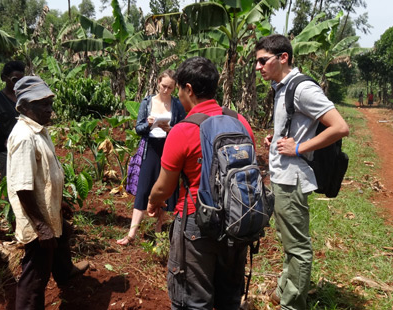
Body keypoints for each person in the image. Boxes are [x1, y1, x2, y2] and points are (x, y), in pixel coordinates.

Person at [147, 57, 256, 309]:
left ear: (189, 89)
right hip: (237, 219)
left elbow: (164, 187)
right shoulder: (241, 121)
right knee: (229, 298)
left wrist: (154, 202)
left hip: (197, 222)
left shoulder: (183, 130)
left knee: (193, 301)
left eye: (180, 90)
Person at [255, 34, 349, 309]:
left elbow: (340, 127)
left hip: (292, 177)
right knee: (288, 238)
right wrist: (278, 138)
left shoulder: (302, 89)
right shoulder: (282, 87)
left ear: (283, 58)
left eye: (263, 61)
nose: (258, 67)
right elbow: (297, 126)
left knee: (297, 246)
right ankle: (285, 288)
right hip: (282, 174)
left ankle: (292, 304)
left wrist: (299, 147)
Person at [7, 76, 89, 310]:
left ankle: (65, 272)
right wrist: (42, 227)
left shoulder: (38, 130)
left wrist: (58, 202)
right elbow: (22, 188)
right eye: (42, 104)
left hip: (47, 209)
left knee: (64, 234)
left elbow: (44, 175)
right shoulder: (24, 137)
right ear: (23, 107)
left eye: (50, 103)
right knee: (35, 275)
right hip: (36, 219)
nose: (49, 109)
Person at [117, 70, 186, 246]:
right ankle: (132, 233)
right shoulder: (148, 102)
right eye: (164, 86)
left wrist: (170, 130)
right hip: (150, 149)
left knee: (166, 190)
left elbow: (182, 128)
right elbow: (138, 129)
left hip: (168, 148)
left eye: (170, 88)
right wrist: (148, 124)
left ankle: (158, 232)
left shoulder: (177, 105)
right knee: (143, 188)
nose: (166, 90)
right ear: (158, 83)